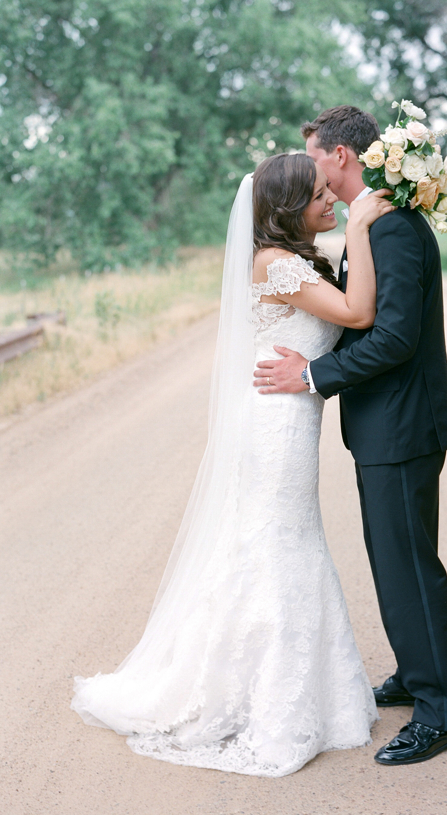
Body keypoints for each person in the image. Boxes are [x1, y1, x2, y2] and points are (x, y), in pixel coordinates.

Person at [71, 153, 395, 778]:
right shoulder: (274, 264)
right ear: (286, 208)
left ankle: (294, 690)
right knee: (275, 546)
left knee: (283, 541)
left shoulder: (288, 260)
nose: (331, 202)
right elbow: (357, 315)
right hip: (276, 425)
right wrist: (358, 226)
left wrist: (350, 232)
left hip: (289, 416)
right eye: (321, 196)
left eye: (334, 194)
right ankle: (262, 700)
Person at [253, 106, 447, 765]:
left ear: (340, 157)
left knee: (406, 564)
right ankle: (415, 670)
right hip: (388, 426)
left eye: (313, 156)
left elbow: (395, 337)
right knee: (394, 556)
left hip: (402, 425)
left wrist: (315, 375)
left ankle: (440, 711)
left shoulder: (394, 228)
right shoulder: (373, 224)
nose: (308, 171)